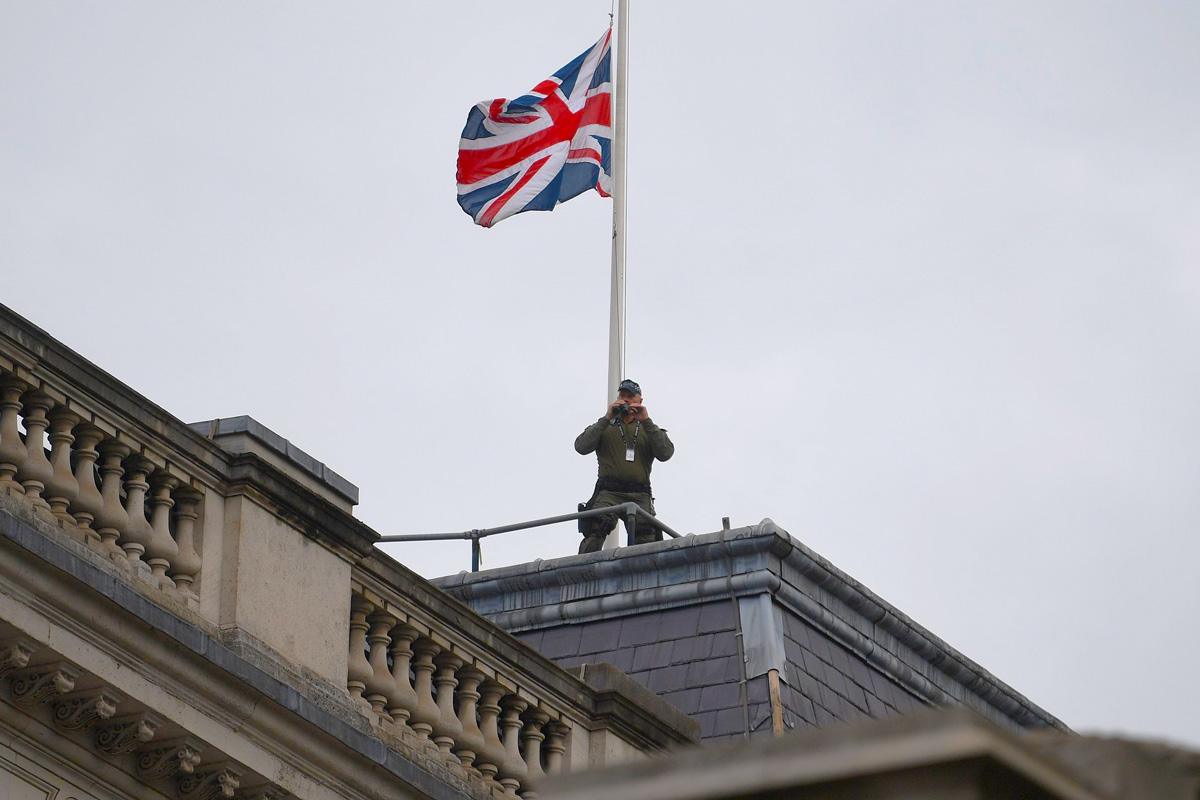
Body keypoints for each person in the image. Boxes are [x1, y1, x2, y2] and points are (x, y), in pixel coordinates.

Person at [574, 378, 674, 553]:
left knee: (646, 539)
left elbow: (666, 453)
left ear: (640, 401)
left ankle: (643, 577)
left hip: (639, 493)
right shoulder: (606, 426)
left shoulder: (648, 428)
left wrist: (646, 421)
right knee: (596, 528)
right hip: (609, 491)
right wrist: (607, 417)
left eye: (631, 396)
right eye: (623, 395)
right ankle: (583, 573)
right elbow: (581, 447)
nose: (626, 400)